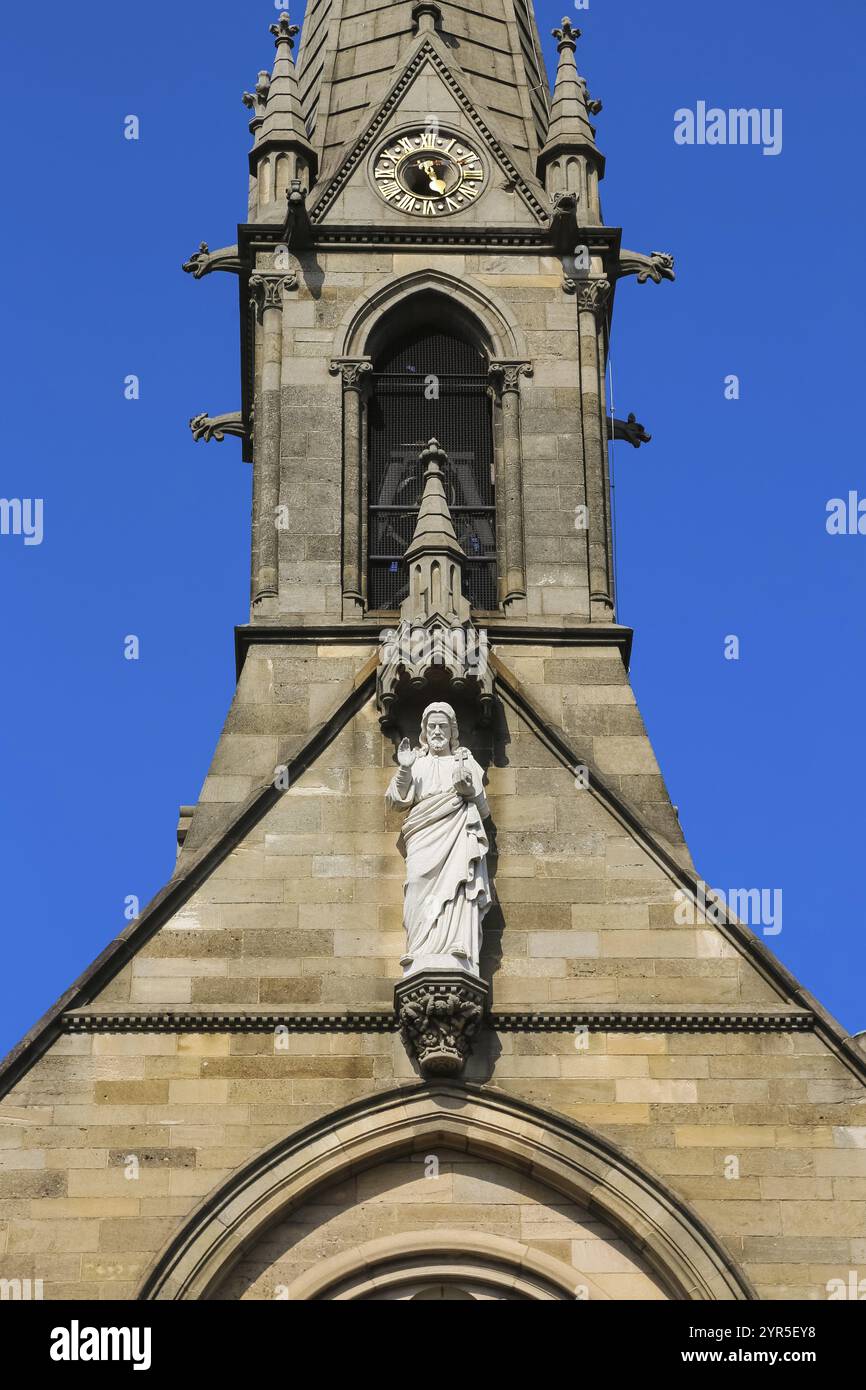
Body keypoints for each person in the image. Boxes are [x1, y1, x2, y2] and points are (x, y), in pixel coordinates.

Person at [385, 702, 490, 976]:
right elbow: (395, 801)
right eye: (431, 726)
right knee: (418, 884)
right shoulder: (416, 763)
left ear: (452, 730)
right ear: (424, 731)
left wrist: (467, 790)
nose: (437, 731)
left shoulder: (465, 762)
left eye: (442, 726)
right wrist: (405, 768)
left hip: (456, 830)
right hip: (422, 834)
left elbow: (483, 808)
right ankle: (419, 949)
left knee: (457, 886)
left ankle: (458, 946)